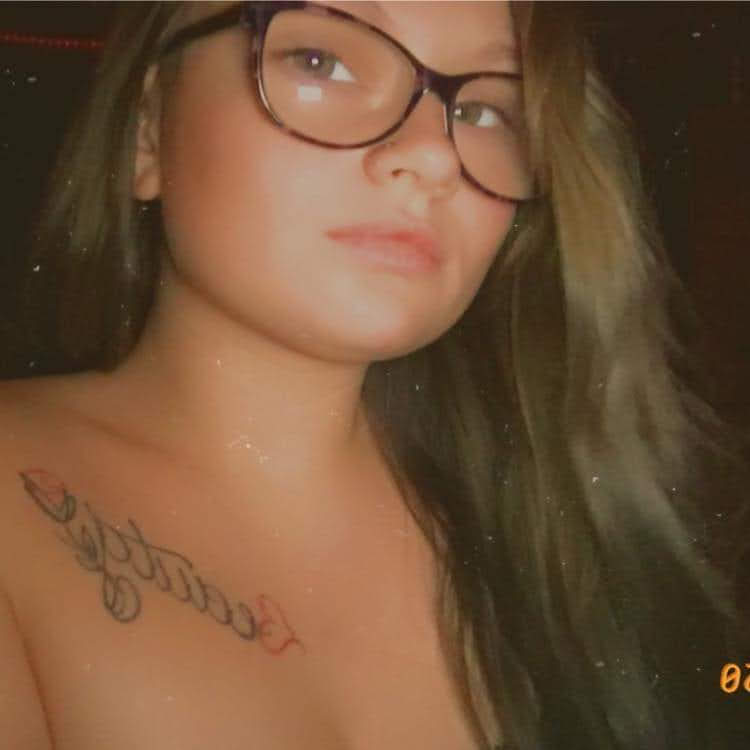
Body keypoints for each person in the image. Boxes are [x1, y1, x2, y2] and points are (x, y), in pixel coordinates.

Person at [0, 2, 748, 749]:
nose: (434, 154)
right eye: (321, 61)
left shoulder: (560, 519)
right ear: (148, 129)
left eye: (487, 111)